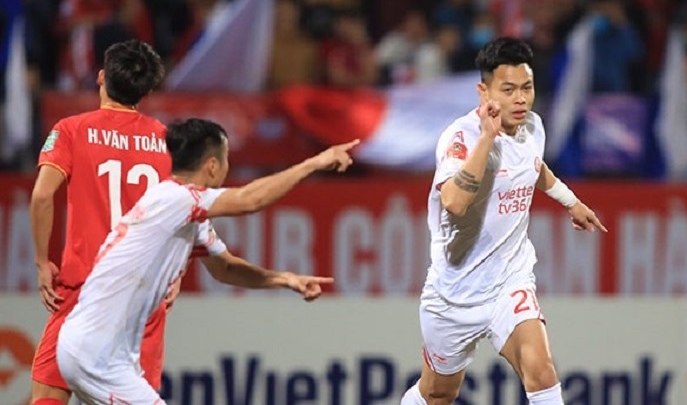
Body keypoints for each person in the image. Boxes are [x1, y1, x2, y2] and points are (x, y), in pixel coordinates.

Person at [55, 118, 359, 404]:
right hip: (98, 355)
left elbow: (224, 268)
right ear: (212, 166)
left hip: (100, 350)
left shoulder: (185, 210)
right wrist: (313, 164)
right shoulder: (175, 199)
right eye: (226, 160)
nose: (228, 167)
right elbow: (250, 200)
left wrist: (284, 279)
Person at [401, 37, 607, 405]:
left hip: (509, 282)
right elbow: (454, 203)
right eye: (508, 90)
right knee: (438, 393)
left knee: (541, 370)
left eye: (527, 88)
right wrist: (487, 138)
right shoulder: (461, 137)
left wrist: (569, 201)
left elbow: (533, 165)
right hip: (453, 294)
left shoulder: (533, 127)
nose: (520, 99)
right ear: (484, 92)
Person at [29, 40, 176, 405]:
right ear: (146, 92)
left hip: (85, 288)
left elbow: (42, 196)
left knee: (48, 393)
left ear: (100, 77)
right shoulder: (168, 142)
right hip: (141, 296)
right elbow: (186, 212)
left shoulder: (72, 130)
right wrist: (176, 272)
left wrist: (42, 261)